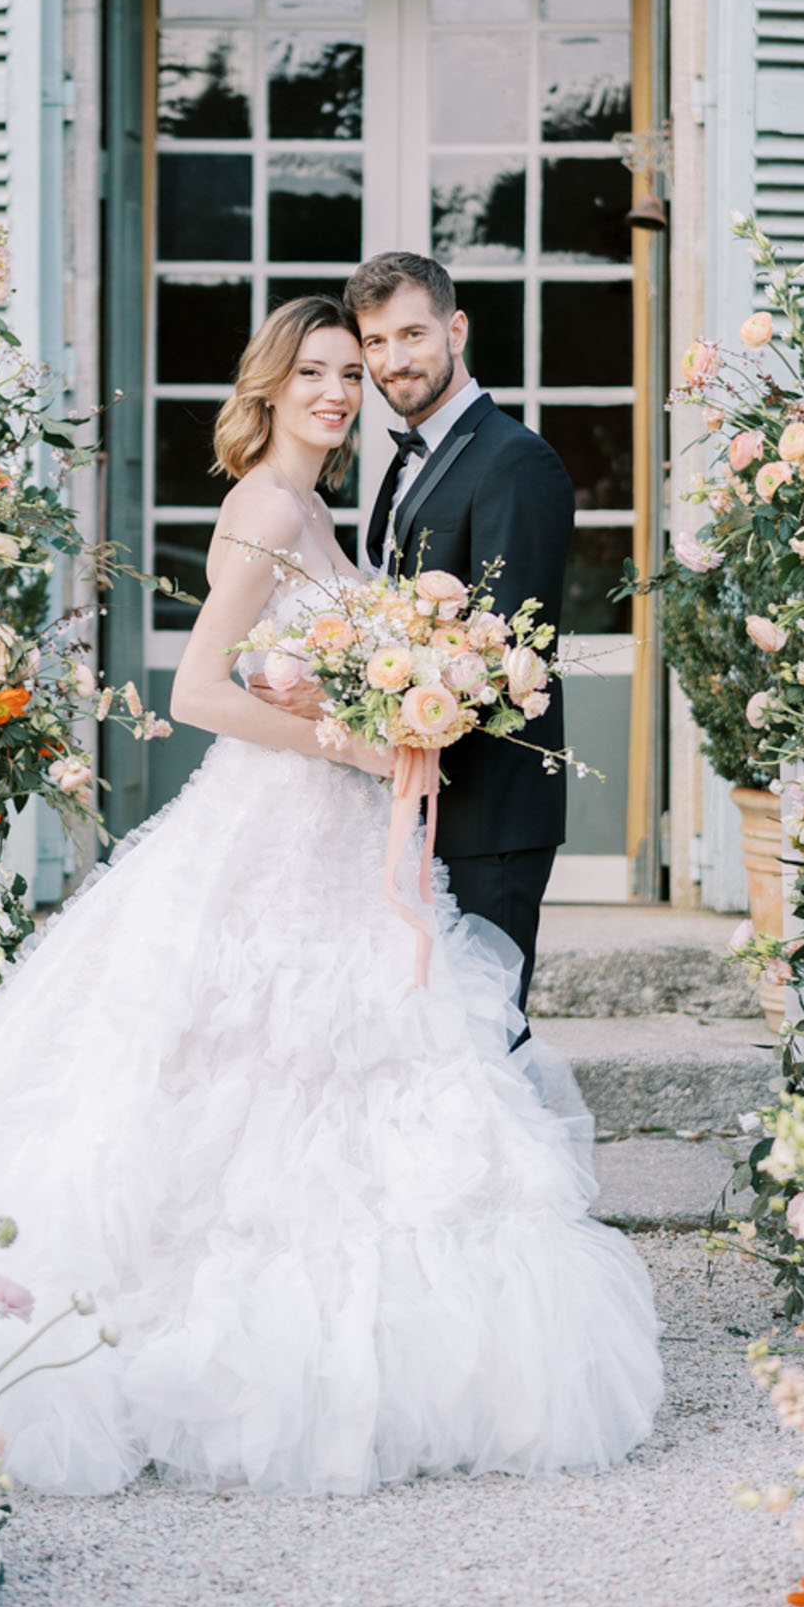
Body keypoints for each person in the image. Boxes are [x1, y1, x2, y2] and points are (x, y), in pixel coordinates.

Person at [0, 297, 660, 1499]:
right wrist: (355, 747)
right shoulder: (265, 504)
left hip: (333, 833)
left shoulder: (316, 505)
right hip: (276, 824)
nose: (335, 391)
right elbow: (201, 687)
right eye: (312, 370)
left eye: (351, 373)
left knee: (325, 1074)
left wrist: (381, 709)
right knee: (211, 1072)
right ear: (266, 386)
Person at [253, 253, 574, 1031]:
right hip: (416, 802)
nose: (394, 361)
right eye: (375, 343)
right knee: (431, 1039)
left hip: (488, 812)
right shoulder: (410, 462)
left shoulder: (513, 459)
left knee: (481, 1037)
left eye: (412, 335)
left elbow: (504, 656)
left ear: (454, 329)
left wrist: (343, 699)